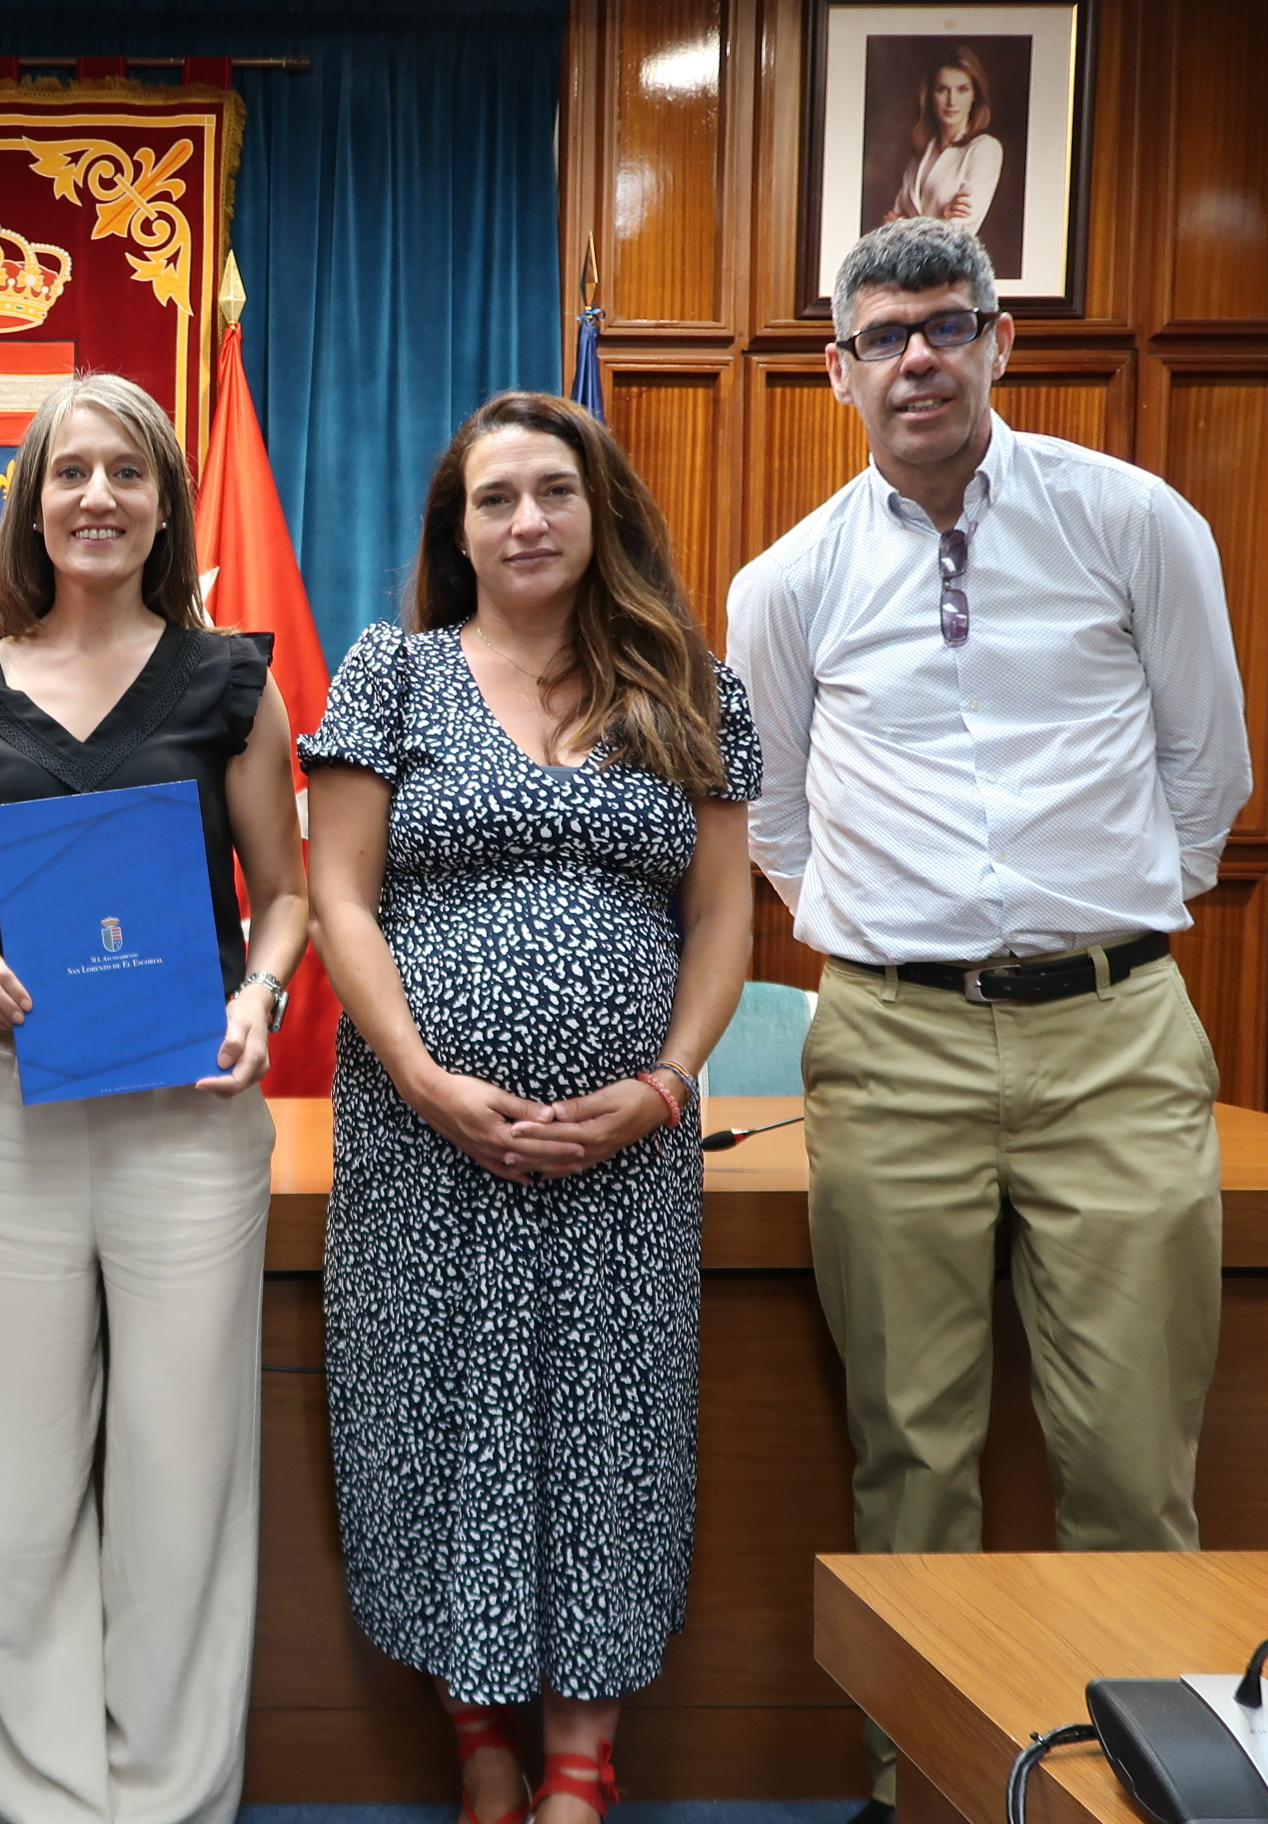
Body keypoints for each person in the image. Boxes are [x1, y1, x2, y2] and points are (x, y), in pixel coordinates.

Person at [727, 217, 1250, 1824]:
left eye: (947, 326)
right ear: (838, 370)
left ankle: (1141, 1796)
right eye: (882, 338)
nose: (918, 360)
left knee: (1131, 1467)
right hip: (892, 1050)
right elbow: (776, 822)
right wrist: (896, 944)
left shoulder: (1132, 522)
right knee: (912, 1460)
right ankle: (933, 1792)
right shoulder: (788, 582)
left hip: (1113, 1038)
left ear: (1000, 342)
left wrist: (1090, 913)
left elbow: (1206, 767)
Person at [300, 391, 757, 1824]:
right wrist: (428, 1081)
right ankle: (478, 1737)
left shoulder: (692, 685)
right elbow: (338, 896)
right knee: (445, 1415)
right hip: (422, 1136)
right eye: (494, 500)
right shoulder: (394, 672)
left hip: (626, 1147)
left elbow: (726, 915)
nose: (527, 521)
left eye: (552, 491)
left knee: (605, 1430)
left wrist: (665, 1087)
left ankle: (580, 1760)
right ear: (458, 529)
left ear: (598, 508)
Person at [0, 372, 308, 1824]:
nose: (97, 499)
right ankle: (47, 1799)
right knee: (10, 1497)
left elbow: (287, 895)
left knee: (180, 1475)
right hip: (4, 1119)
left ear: (162, 502)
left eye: (125, 474)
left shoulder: (228, 682)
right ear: (31, 500)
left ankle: (171, 1798)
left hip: (187, 1119)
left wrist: (258, 993)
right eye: (70, 472)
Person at [883, 45, 1003, 237]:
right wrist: (939, 220)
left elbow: (954, 237)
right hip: (902, 267)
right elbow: (890, 223)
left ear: (975, 96)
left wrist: (904, 226)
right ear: (930, 96)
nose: (951, 101)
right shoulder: (921, 153)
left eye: (962, 90)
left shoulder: (985, 149)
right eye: (942, 90)